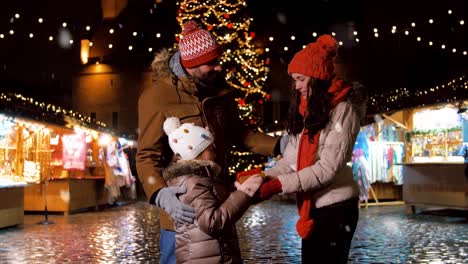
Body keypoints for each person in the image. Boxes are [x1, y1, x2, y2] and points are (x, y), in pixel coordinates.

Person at [136, 20, 283, 264]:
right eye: (210, 63)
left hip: (218, 204)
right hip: (181, 214)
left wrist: (279, 145)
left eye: (217, 61)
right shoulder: (157, 97)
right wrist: (160, 194)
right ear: (190, 64)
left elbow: (241, 135)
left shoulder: (220, 91)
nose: (217, 67)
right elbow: (146, 156)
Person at [256, 34, 367, 263]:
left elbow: (327, 168)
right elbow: (290, 161)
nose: (296, 86)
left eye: (301, 79)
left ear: (317, 77)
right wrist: (263, 178)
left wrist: (279, 185)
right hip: (314, 208)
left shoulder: (342, 111)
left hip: (336, 209)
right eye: (294, 80)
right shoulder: (307, 110)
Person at [161, 117, 263, 263]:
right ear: (196, 153)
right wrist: (244, 192)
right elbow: (212, 222)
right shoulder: (193, 183)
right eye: (210, 149)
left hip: (213, 254)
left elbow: (215, 202)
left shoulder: (201, 178)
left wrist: (236, 189)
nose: (215, 153)